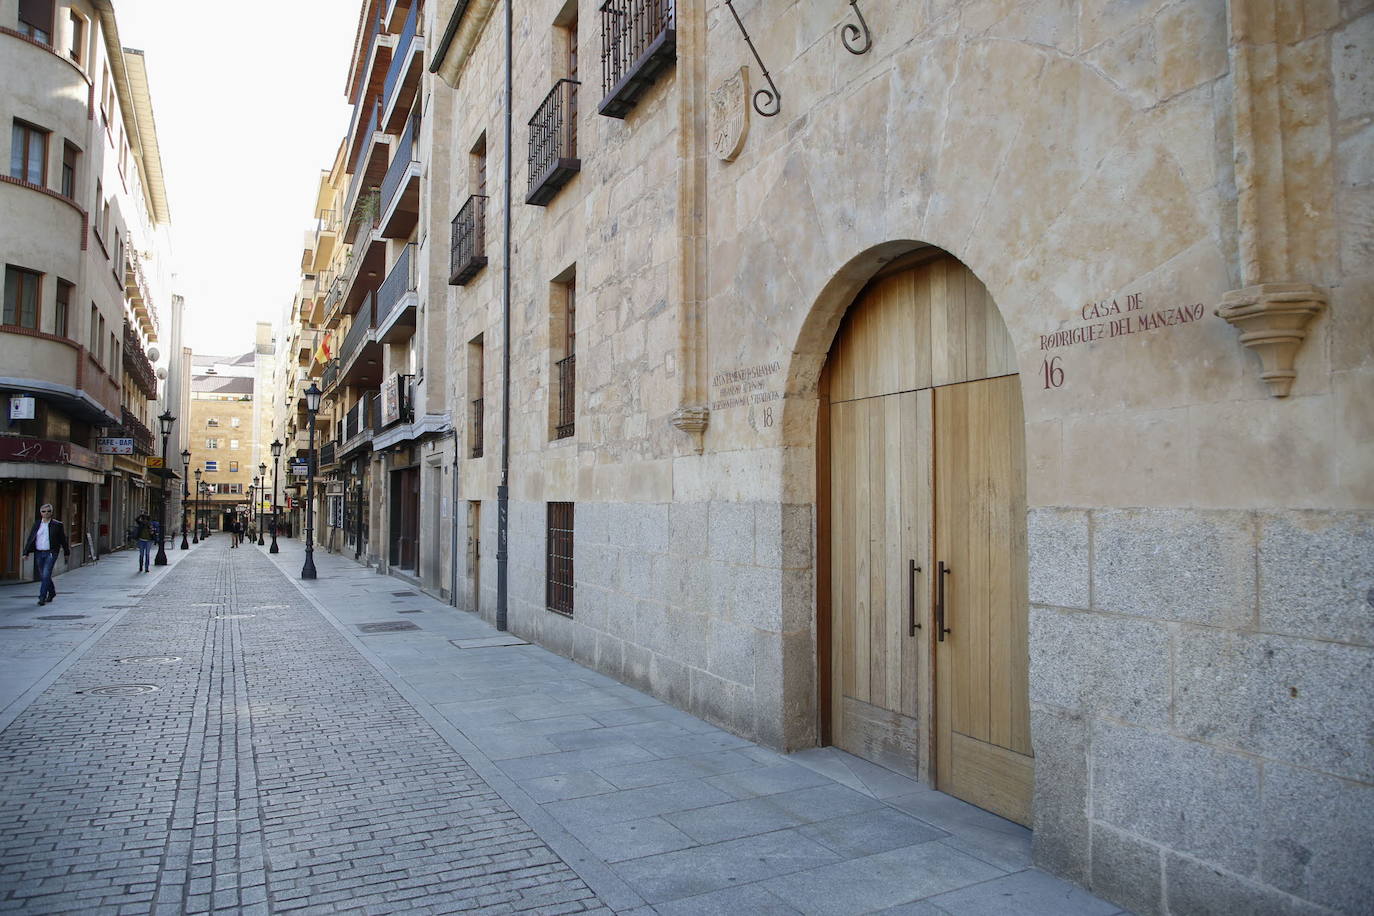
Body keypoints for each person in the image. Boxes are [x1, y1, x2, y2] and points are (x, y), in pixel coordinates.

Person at [22, 504, 70, 606]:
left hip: (51, 552)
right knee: (44, 576)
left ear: (51, 512)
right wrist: (25, 552)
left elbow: (63, 540)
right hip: (39, 552)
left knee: (46, 574)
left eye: (48, 511)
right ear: (41, 513)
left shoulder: (57, 525)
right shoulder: (37, 524)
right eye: (44, 511)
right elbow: (31, 538)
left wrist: (66, 552)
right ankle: (52, 592)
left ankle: (42, 597)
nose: (46, 513)